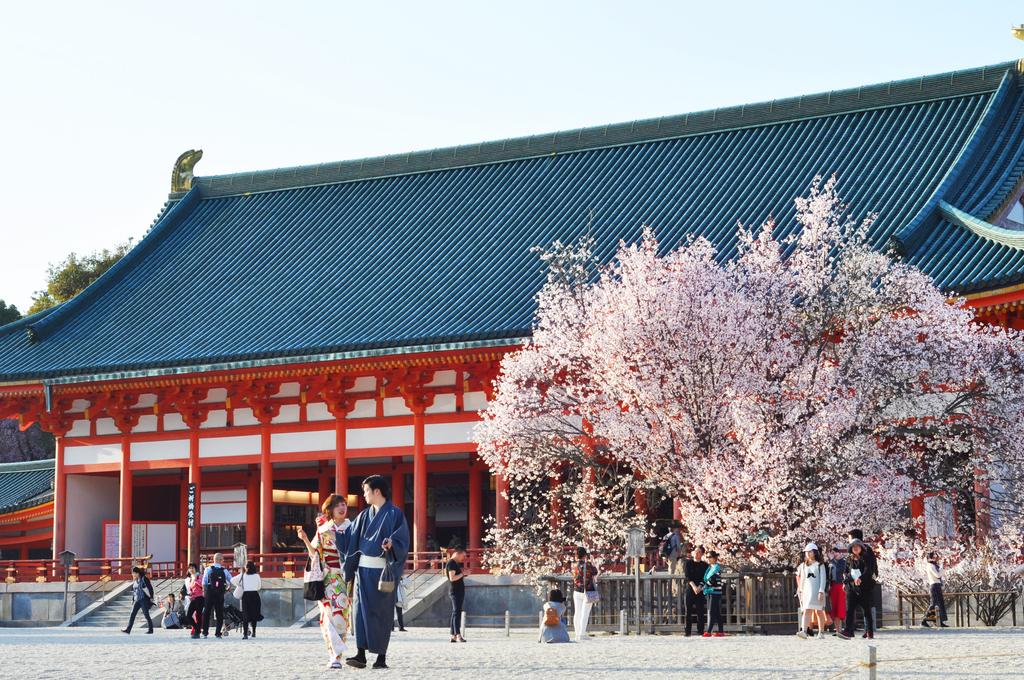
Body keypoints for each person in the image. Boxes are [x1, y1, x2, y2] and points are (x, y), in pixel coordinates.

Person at [343, 475, 411, 670]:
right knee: (360, 612)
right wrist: (335, 532)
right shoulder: (364, 515)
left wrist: (392, 544)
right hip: (363, 571)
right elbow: (350, 538)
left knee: (381, 613)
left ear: (377, 491)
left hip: (382, 571)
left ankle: (381, 657)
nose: (364, 495)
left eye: (366, 491)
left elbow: (402, 540)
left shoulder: (394, 514)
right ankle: (361, 654)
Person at [299, 492, 354, 669]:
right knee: (329, 617)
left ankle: (338, 654)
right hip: (328, 579)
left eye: (344, 504)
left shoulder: (352, 528)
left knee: (342, 617)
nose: (342, 507)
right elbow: (314, 554)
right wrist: (306, 539)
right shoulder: (323, 529)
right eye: (338, 505)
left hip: (346, 578)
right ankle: (334, 656)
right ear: (330, 510)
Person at [837, 539, 875, 640]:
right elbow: (846, 572)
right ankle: (849, 631)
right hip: (852, 587)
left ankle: (869, 631)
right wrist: (845, 582)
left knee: (866, 610)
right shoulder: (849, 559)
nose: (855, 548)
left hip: (864, 588)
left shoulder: (866, 558)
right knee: (849, 610)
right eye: (853, 547)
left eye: (857, 546)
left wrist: (861, 578)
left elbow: (868, 570)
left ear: (861, 547)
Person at [847, 529, 881, 629]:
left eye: (849, 538)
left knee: (866, 607)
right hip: (856, 582)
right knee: (858, 607)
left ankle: (868, 629)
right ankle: (862, 630)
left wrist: (865, 578)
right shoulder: (853, 551)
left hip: (865, 581)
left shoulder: (865, 550)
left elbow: (869, 568)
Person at [796, 543, 828, 639]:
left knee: (819, 611)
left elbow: (823, 579)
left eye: (810, 552)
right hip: (806, 592)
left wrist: (821, 591)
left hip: (817, 592)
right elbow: (802, 580)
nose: (808, 554)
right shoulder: (802, 566)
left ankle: (821, 632)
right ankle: (804, 631)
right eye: (807, 552)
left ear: (815, 552)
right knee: (807, 610)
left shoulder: (820, 565)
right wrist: (800, 591)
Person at [570, 546, 599, 642]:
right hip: (588, 590)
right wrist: (592, 562)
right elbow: (595, 572)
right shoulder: (588, 565)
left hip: (577, 590)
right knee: (584, 613)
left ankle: (577, 633)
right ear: (585, 556)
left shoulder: (573, 566)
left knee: (577, 613)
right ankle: (582, 634)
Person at [231, 560, 263, 639]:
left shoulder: (242, 575)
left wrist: (239, 585)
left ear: (245, 567)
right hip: (255, 595)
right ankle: (254, 632)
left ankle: (245, 634)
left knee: (245, 615)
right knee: (254, 614)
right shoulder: (257, 576)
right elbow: (259, 587)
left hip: (246, 595)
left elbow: (232, 580)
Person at [202, 552, 230, 638]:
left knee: (207, 613)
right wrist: (228, 589)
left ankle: (205, 633)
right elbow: (231, 580)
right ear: (219, 560)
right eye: (222, 559)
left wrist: (205, 592)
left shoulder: (208, 569)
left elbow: (204, 582)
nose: (223, 561)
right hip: (220, 594)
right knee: (219, 614)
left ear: (214, 560)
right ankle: (218, 633)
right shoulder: (224, 570)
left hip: (209, 593)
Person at [122, 566, 155, 634]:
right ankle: (128, 629)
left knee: (146, 615)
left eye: (133, 573)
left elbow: (150, 588)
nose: (132, 574)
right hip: (137, 600)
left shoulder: (144, 579)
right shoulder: (135, 580)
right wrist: (133, 599)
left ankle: (151, 629)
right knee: (132, 614)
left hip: (143, 599)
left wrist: (151, 597)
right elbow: (134, 591)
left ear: (137, 573)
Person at [683, 545, 708, 637]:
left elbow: (705, 578)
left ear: (702, 554)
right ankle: (687, 631)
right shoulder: (688, 563)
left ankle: (700, 630)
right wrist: (694, 586)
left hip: (700, 589)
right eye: (695, 551)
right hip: (690, 587)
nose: (696, 553)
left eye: (699, 552)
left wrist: (700, 587)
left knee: (700, 610)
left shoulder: (705, 565)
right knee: (688, 610)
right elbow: (687, 576)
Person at [921, 551, 948, 628]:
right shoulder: (930, 566)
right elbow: (937, 575)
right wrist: (943, 568)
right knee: (934, 604)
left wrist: (942, 569)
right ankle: (924, 620)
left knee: (939, 604)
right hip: (934, 585)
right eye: (934, 557)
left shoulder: (934, 565)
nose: (936, 558)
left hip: (937, 585)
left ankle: (938, 621)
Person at [446, 547, 467, 643]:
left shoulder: (455, 563)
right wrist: (463, 573)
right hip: (455, 591)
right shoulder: (451, 563)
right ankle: (458, 634)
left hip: (458, 591)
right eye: (463, 556)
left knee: (455, 612)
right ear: (458, 553)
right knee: (456, 612)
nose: (463, 558)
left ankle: (453, 635)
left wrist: (463, 574)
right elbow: (452, 578)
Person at [702, 550, 725, 637]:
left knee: (712, 611)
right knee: (717, 612)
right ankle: (721, 631)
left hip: (715, 591)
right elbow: (706, 579)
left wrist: (704, 587)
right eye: (707, 557)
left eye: (710, 557)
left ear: (715, 558)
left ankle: (708, 631)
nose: (708, 559)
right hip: (711, 591)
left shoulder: (716, 568)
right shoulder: (710, 568)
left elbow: (712, 580)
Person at [661, 525, 685, 596]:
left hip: (666, 555)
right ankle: (671, 585)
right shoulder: (675, 536)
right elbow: (678, 546)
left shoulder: (665, 536)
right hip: (673, 554)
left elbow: (662, 546)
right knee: (672, 570)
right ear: (674, 529)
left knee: (670, 567)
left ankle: (671, 584)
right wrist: (680, 552)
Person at [828, 546, 847, 633]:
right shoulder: (830, 563)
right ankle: (838, 630)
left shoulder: (843, 562)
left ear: (839, 553)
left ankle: (846, 628)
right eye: (832, 553)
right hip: (833, 586)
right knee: (834, 608)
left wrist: (833, 561)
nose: (833, 554)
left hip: (841, 586)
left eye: (835, 552)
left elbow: (841, 571)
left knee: (841, 607)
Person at [184, 563, 205, 639]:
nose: (191, 569)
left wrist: (196, 579)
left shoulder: (200, 576)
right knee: (188, 615)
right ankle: (197, 629)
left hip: (200, 598)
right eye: (190, 568)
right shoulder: (190, 579)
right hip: (193, 599)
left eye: (192, 568)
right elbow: (191, 589)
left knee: (198, 616)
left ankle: (197, 633)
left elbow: (202, 586)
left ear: (196, 569)